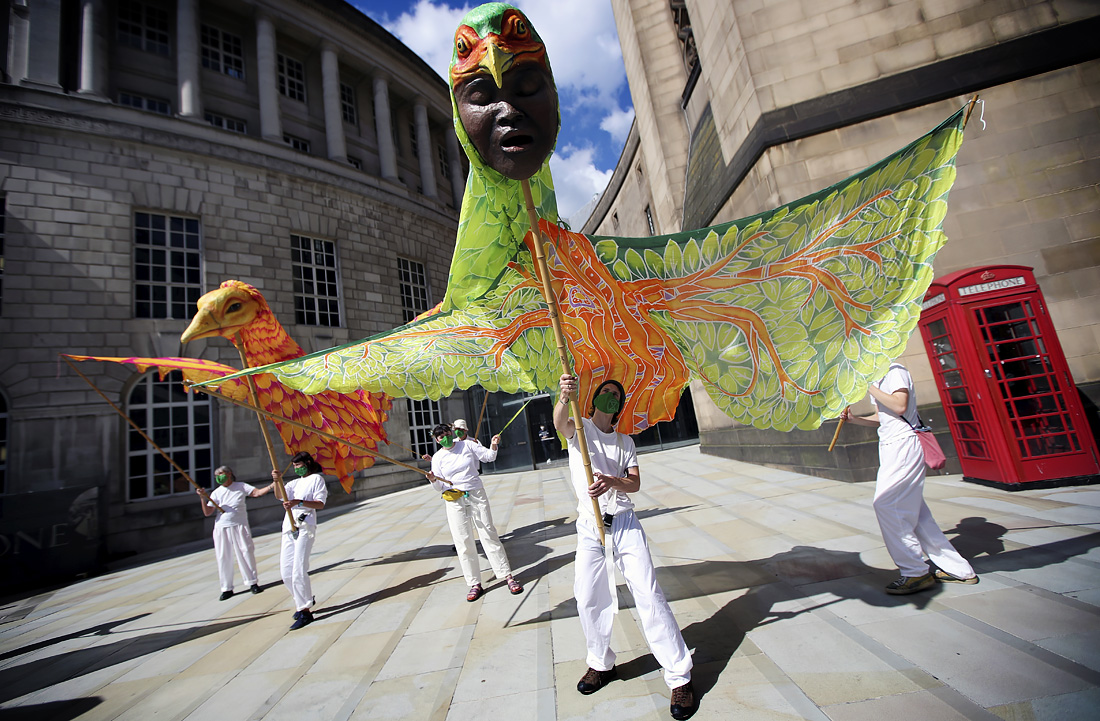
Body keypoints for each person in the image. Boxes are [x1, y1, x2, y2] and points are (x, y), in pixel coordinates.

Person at [555, 374, 696, 720]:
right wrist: (564, 396)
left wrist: (612, 481)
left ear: (619, 406)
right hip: (590, 527)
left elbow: (634, 483)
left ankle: (679, 677)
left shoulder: (625, 442)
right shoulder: (580, 429)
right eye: (605, 392)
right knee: (588, 596)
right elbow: (560, 423)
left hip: (624, 523)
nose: (610, 396)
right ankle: (600, 664)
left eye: (616, 395)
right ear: (593, 400)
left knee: (648, 594)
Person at [842, 362, 979, 594]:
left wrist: (867, 386)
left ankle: (915, 572)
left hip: (903, 444)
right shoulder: (878, 376)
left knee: (886, 504)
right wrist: (855, 419)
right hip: (890, 445)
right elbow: (883, 416)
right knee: (917, 513)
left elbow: (900, 405)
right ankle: (959, 570)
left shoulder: (894, 370)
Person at [426, 423, 523, 601]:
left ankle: (507, 575)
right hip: (454, 499)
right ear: (437, 440)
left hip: (476, 493)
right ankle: (474, 583)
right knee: (463, 540)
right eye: (441, 437)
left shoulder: (467, 445)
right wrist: (433, 480)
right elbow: (439, 486)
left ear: (451, 433)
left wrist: (493, 444)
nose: (445, 437)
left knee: (488, 532)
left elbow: (488, 457)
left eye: (447, 433)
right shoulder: (438, 457)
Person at [271, 451, 329, 630]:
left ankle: (305, 611)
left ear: (308, 463)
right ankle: (303, 599)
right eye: (294, 465)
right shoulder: (293, 483)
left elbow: (320, 503)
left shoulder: (317, 479)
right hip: (289, 527)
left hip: (305, 527)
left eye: (299, 465)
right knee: (286, 572)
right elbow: (280, 495)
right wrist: (276, 481)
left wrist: (299, 502)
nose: (297, 468)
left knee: (298, 569)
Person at [197, 466, 275, 600]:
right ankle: (226, 588)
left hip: (239, 525)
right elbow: (208, 512)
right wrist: (203, 498)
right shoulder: (216, 492)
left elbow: (257, 493)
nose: (219, 476)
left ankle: (252, 582)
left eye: (221, 473)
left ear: (229, 474)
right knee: (223, 556)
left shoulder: (241, 486)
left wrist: (272, 485)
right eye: (217, 475)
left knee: (246, 552)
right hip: (222, 527)